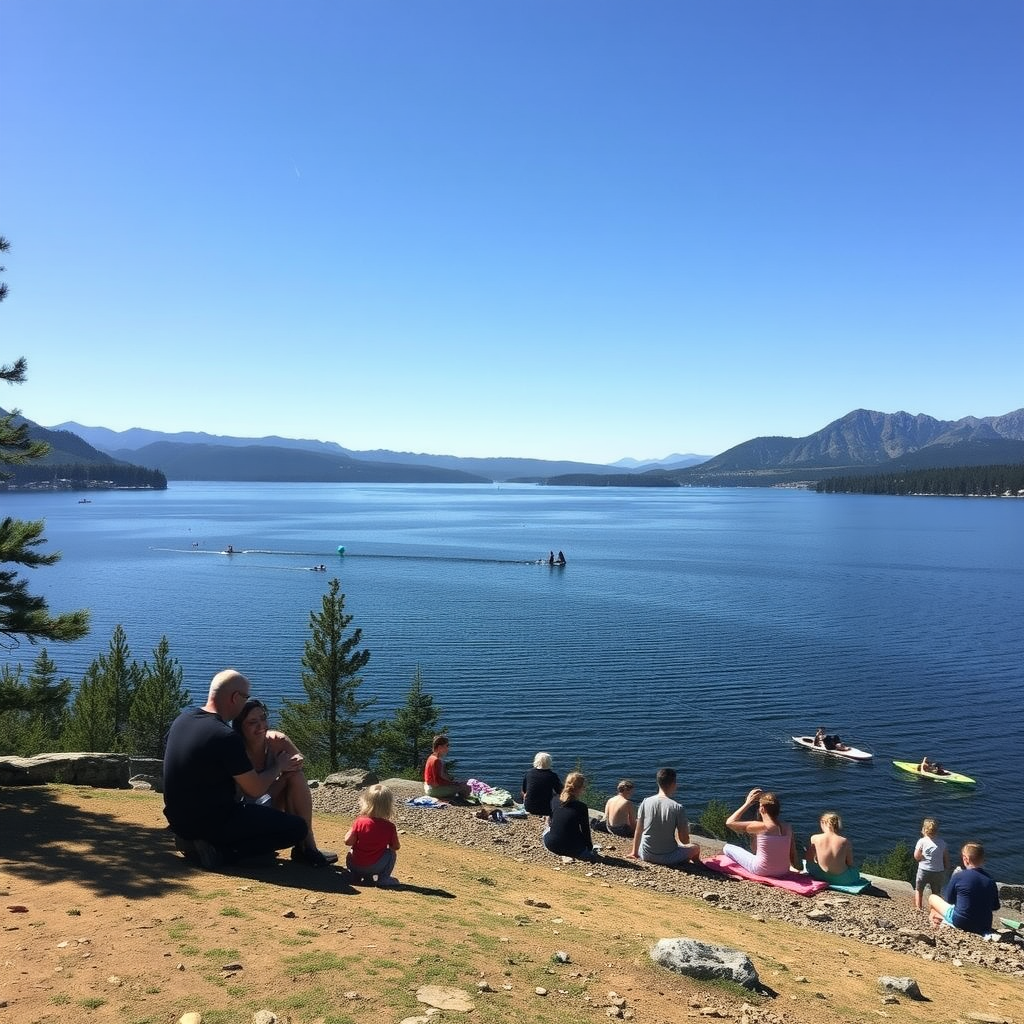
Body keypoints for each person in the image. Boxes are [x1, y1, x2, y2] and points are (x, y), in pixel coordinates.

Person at [163, 669, 308, 869]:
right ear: (234, 697)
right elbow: (255, 789)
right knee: (296, 828)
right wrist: (278, 766)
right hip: (213, 820)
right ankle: (221, 852)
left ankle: (193, 841)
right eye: (245, 697)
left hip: (178, 820)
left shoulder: (183, 720)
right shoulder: (224, 736)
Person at [232, 698, 337, 866]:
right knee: (289, 774)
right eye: (252, 722)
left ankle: (307, 845)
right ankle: (303, 845)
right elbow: (253, 791)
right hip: (248, 811)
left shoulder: (274, 742)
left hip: (270, 802)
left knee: (295, 775)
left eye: (263, 718)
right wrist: (279, 766)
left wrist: (292, 758)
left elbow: (299, 759)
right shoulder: (236, 750)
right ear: (240, 726)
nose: (261, 725)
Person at [628, 767, 700, 866]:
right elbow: (684, 839)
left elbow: (638, 830)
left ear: (658, 783)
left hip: (645, 854)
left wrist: (634, 853)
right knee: (695, 847)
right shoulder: (677, 807)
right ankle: (696, 865)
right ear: (674, 784)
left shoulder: (645, 802)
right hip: (668, 857)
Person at [722, 788, 800, 878]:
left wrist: (747, 803)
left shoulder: (761, 827)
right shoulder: (787, 827)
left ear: (762, 809)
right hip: (783, 870)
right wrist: (792, 867)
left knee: (727, 848)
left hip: (762, 870)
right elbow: (792, 852)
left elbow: (729, 822)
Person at [928, 841, 1000, 934]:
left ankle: (933, 930)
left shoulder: (959, 876)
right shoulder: (991, 881)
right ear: (983, 859)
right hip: (984, 925)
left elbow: (949, 900)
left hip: (962, 922)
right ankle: (938, 924)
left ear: (966, 859)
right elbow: (995, 906)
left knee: (932, 898)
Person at [344, 784, 401, 886]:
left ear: (365, 802)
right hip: (376, 866)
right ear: (388, 806)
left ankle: (354, 875)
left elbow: (348, 842)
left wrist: (352, 830)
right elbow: (396, 847)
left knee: (353, 849)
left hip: (356, 866)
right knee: (391, 853)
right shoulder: (390, 827)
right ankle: (383, 878)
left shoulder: (359, 822)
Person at [542, 771, 597, 860]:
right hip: (573, 849)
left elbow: (551, 822)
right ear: (580, 788)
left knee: (547, 830)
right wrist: (589, 849)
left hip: (550, 844)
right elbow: (585, 831)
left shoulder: (555, 799)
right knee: (589, 854)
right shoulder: (581, 807)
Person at [914, 817, 950, 911]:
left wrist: (922, 858)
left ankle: (919, 907)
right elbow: (946, 859)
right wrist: (946, 868)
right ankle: (933, 909)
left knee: (919, 889)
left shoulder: (921, 841)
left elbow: (916, 856)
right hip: (938, 871)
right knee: (936, 892)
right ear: (936, 831)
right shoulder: (942, 843)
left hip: (924, 869)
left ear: (924, 830)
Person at [805, 811, 854, 878]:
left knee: (810, 865)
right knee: (854, 871)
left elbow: (809, 859)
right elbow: (850, 863)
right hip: (841, 879)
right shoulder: (845, 841)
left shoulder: (814, 838)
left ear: (823, 823)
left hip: (820, 876)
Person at [423, 735, 471, 800]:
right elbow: (438, 781)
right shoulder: (436, 761)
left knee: (460, 785)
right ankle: (465, 801)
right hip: (433, 791)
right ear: (440, 747)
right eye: (447, 746)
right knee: (465, 787)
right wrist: (455, 784)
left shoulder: (431, 757)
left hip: (428, 787)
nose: (448, 748)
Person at [522, 752, 562, 817]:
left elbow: (524, 791)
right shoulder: (552, 775)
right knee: (557, 796)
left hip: (529, 808)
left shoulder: (529, 774)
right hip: (546, 810)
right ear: (549, 762)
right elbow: (560, 791)